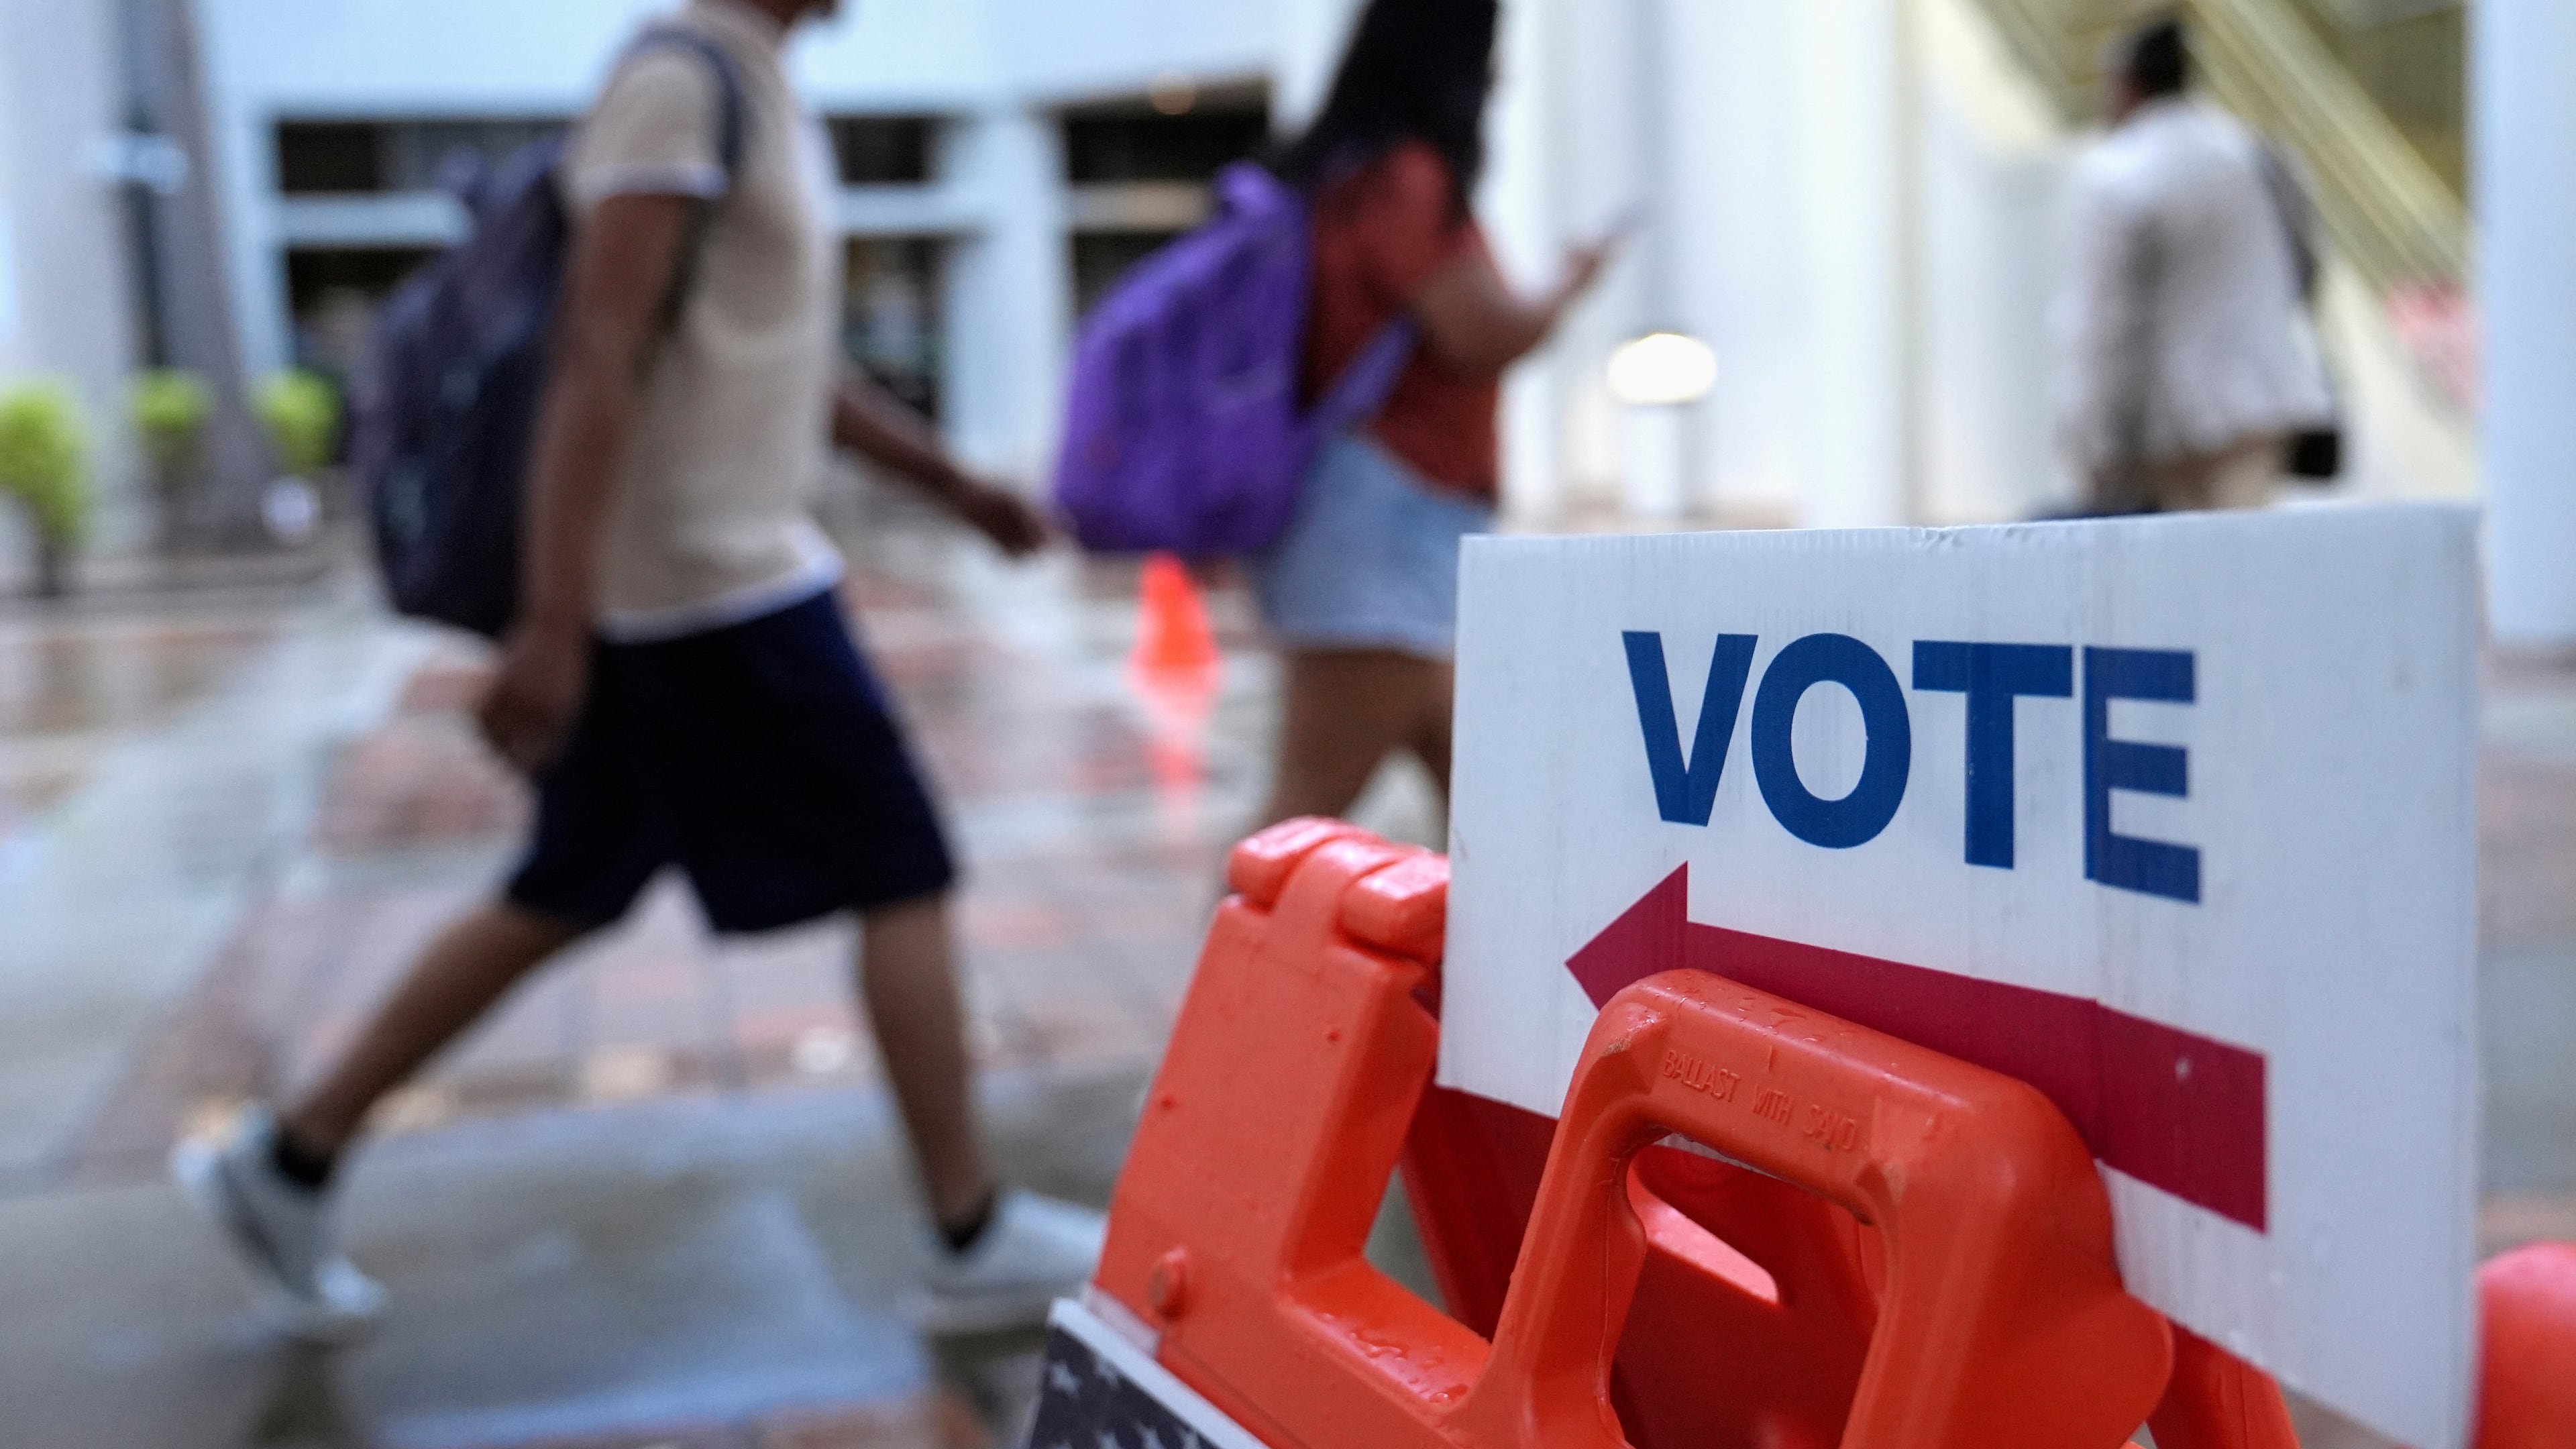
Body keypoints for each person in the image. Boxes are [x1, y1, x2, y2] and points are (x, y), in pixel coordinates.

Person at [174, 0, 1101, 1340]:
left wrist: (954, 485)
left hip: (690, 582)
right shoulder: (680, 81)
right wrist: (552, 624)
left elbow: (771, 358)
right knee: (903, 864)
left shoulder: (755, 78)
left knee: (569, 885)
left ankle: (289, 1159)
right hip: (703, 586)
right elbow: (592, 354)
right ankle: (967, 1230)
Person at [1250, 0, 1613, 828]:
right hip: (1383, 519)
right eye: (1487, 53)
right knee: (1304, 806)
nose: (1499, 76)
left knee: (1492, 798)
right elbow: (1478, 335)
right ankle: (1227, 963)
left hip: (1392, 517)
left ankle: (1502, 958)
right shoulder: (1401, 180)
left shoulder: (1347, 173)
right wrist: (1572, 281)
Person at [2055, 15, 2334, 515]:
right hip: (2262, 407)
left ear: (2128, 84)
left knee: (2180, 576)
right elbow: (2307, 269)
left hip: (2174, 423)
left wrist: (2091, 440)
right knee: (2246, 564)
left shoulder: (2117, 173)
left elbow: (2106, 323)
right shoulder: (2254, 153)